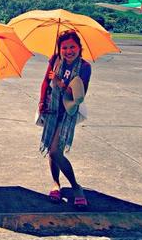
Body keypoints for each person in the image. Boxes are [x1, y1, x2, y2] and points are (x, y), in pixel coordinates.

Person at [38, 30, 91, 208]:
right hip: (52, 108)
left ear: (79, 48)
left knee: (54, 150)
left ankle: (76, 187)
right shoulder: (55, 60)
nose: (68, 51)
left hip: (68, 111)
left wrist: (60, 82)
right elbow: (46, 82)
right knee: (52, 149)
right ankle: (56, 183)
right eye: (65, 47)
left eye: (72, 47)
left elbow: (79, 95)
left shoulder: (84, 67)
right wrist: (40, 102)